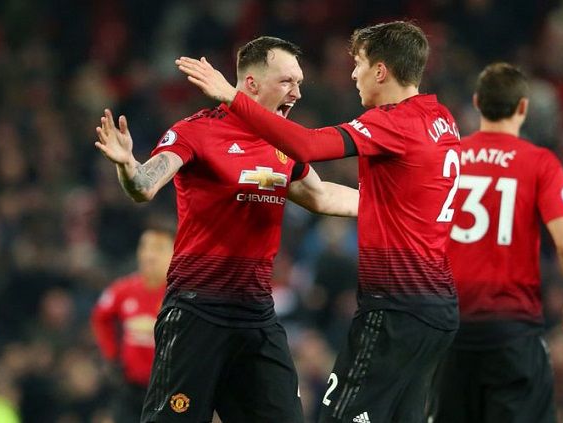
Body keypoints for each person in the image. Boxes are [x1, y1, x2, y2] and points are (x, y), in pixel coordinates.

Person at [177, 20, 460, 423]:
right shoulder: (441, 117)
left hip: (397, 308)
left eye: (359, 64)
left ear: (380, 70)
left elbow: (307, 145)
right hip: (439, 309)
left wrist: (231, 96)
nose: (353, 74)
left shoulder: (395, 122)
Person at [95, 36, 359, 423]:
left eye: (299, 83)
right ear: (250, 84)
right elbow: (145, 185)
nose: (298, 93)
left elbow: (321, 196)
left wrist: (397, 206)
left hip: (257, 316)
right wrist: (127, 167)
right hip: (197, 313)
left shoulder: (282, 144)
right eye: (287, 82)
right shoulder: (197, 131)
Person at [427, 62, 563, 423]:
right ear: (523, 107)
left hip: (449, 327)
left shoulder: (447, 157)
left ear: (476, 102)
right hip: (511, 329)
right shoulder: (540, 163)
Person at [91, 225, 174, 423]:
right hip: (131, 387)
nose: (149, 255)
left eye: (158, 248)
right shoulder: (123, 290)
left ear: (175, 252)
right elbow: (100, 317)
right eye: (144, 247)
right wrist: (112, 354)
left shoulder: (181, 295)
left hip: (169, 388)